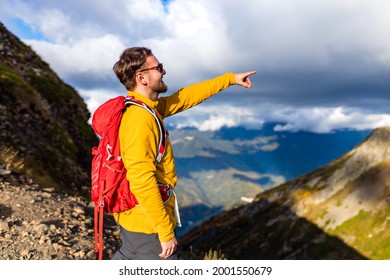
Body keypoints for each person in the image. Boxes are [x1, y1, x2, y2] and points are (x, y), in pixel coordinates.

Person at [111, 47, 256, 260]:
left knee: (129, 255)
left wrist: (229, 79)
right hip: (148, 223)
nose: (164, 71)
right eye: (158, 67)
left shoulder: (146, 107)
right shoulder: (140, 120)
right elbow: (141, 179)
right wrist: (165, 231)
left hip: (133, 217)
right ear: (142, 77)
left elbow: (184, 97)